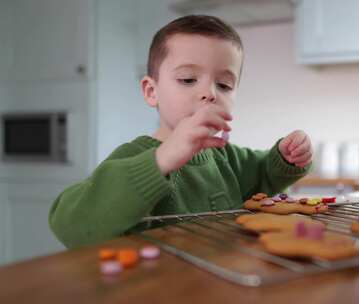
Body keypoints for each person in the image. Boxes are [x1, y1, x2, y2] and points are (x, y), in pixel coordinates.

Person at [49, 15, 313, 248]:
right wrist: (162, 159)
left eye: (223, 85)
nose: (209, 94)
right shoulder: (134, 157)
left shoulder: (226, 157)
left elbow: (265, 172)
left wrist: (285, 156)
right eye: (188, 79)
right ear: (152, 92)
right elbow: (69, 225)